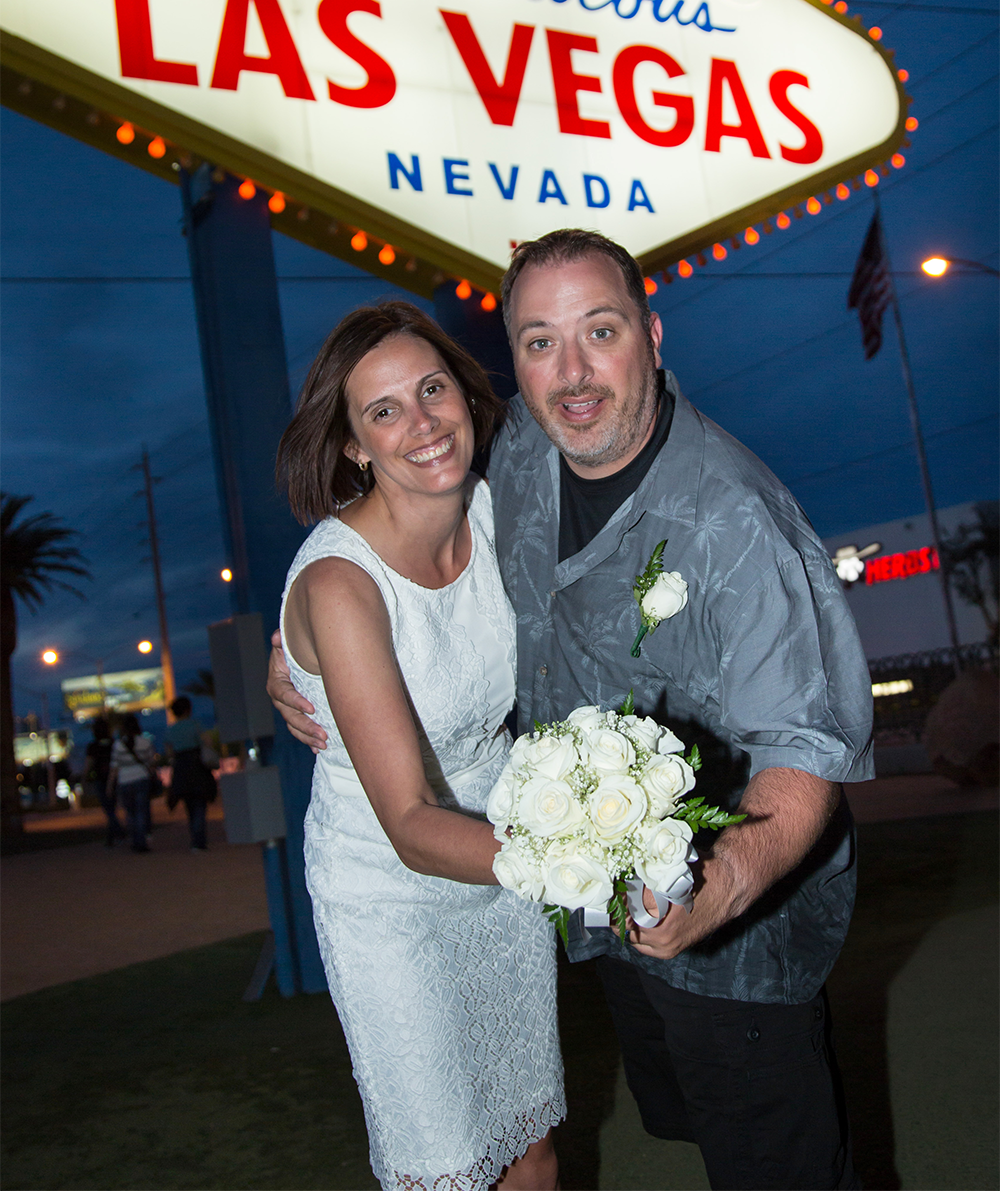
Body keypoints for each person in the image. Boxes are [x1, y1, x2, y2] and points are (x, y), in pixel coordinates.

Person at [268, 231, 874, 1191]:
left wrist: (712, 891)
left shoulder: (735, 521)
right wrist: (297, 649)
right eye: (541, 342)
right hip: (563, 890)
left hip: (727, 911)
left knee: (769, 1151)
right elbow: (368, 573)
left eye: (601, 330)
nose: (574, 372)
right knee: (650, 1119)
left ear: (653, 333)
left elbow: (804, 751)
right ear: (512, 361)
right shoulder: (512, 462)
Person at [273, 302, 564, 1191]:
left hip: (503, 845)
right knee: (444, 1166)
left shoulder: (501, 503)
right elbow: (406, 820)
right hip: (393, 889)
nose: (422, 422)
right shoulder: (339, 582)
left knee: (529, 1138)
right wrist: (584, 860)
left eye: (431, 388)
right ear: (355, 445)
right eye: (384, 410)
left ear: (466, 397)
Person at [164, 695, 217, 850]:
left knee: (189, 804)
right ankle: (199, 840)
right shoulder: (195, 725)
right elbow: (207, 742)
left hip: (181, 767)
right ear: (188, 709)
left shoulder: (171, 730)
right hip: (197, 766)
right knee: (200, 802)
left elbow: (169, 753)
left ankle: (195, 838)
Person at [108, 713, 156, 853]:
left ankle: (135, 841)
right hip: (141, 779)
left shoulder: (118, 745)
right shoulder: (145, 742)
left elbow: (114, 768)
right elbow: (152, 762)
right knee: (142, 811)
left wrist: (110, 786)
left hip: (125, 781)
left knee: (130, 813)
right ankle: (142, 841)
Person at [84, 715, 124, 845]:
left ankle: (117, 833)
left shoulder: (93, 747)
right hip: (115, 779)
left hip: (101, 780)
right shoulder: (114, 744)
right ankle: (112, 837)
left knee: (109, 810)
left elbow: (89, 765)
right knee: (111, 808)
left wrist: (84, 778)